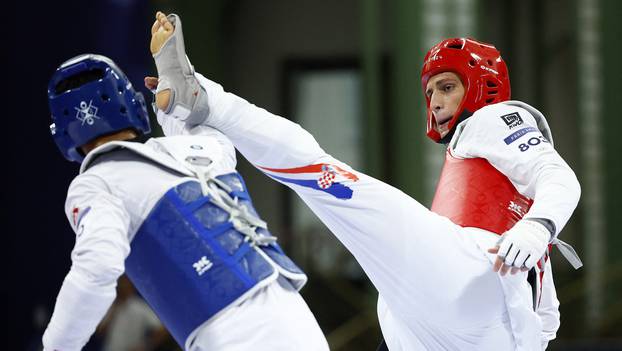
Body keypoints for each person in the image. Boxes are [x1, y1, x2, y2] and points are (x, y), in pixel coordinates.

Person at [151, 11, 584, 350]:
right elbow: (543, 317)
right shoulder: (475, 157)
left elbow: (559, 177)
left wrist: (538, 226)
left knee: (321, 175)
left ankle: (204, 101)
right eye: (430, 92)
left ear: (483, 87)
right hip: (458, 327)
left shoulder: (499, 118)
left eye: (448, 87)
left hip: (474, 278)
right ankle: (187, 112)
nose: (434, 102)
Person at [41, 53, 329, 350]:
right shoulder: (207, 149)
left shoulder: (97, 183)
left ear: (63, 133)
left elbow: (97, 269)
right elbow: (201, 129)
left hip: (234, 333)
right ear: (132, 104)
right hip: (295, 317)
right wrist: (168, 103)